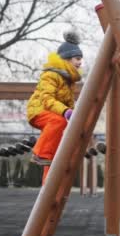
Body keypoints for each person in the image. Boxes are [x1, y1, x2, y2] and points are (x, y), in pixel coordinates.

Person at [26, 31, 83, 181]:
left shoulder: (68, 81)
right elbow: (46, 98)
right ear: (67, 59)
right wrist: (65, 112)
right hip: (40, 111)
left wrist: (73, 115)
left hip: (54, 114)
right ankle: (40, 154)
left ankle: (48, 186)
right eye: (77, 58)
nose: (80, 62)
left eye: (81, 59)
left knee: (56, 149)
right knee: (58, 121)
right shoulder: (51, 75)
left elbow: (69, 104)